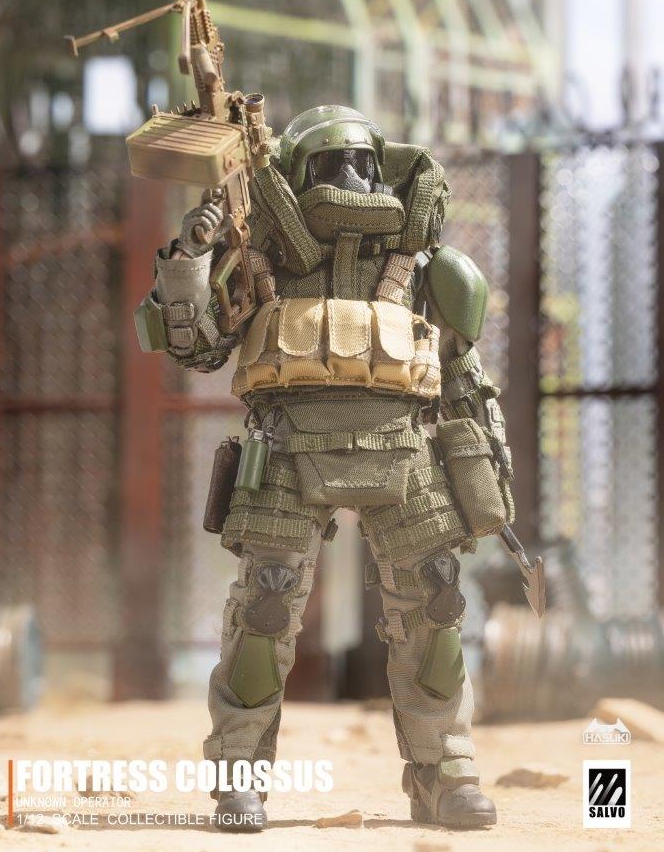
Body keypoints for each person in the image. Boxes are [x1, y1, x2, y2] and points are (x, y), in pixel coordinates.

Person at [138, 105, 515, 832]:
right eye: (330, 163)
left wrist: (486, 463)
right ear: (296, 174)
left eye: (362, 163)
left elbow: (461, 371)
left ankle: (445, 773)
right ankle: (240, 779)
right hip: (286, 449)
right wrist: (191, 255)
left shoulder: (420, 265)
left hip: (403, 449)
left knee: (436, 607)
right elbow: (194, 347)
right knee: (264, 612)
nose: (349, 176)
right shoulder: (258, 258)